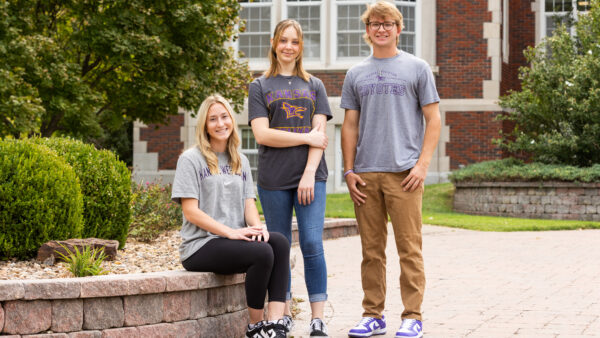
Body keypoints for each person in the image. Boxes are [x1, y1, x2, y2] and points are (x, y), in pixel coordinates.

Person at [340, 2, 441, 338]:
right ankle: (373, 315)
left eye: (387, 23)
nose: (380, 29)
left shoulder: (417, 68)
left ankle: (413, 316)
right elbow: (350, 125)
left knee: (409, 249)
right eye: (374, 23)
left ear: (399, 28)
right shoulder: (355, 73)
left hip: (405, 175)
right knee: (371, 251)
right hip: (366, 175)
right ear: (367, 30)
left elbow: (434, 119)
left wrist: (423, 165)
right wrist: (349, 170)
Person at [171, 94, 290, 338]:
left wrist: (258, 229)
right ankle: (255, 327)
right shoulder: (191, 159)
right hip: (200, 245)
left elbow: (249, 205)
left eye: (224, 117)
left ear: (232, 120)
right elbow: (190, 211)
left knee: (277, 242)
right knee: (262, 252)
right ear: (204, 125)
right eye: (212, 119)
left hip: (232, 241)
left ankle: (275, 324)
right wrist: (232, 232)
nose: (220, 123)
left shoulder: (240, 160)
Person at [248, 19, 332, 338]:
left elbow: (320, 136)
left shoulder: (315, 85)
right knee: (279, 247)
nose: (288, 47)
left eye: (294, 42)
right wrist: (305, 138)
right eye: (283, 40)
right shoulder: (260, 86)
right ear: (273, 43)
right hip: (273, 180)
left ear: (300, 47)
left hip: (311, 178)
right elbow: (262, 134)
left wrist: (309, 172)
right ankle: (281, 314)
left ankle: (317, 318)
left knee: (312, 243)